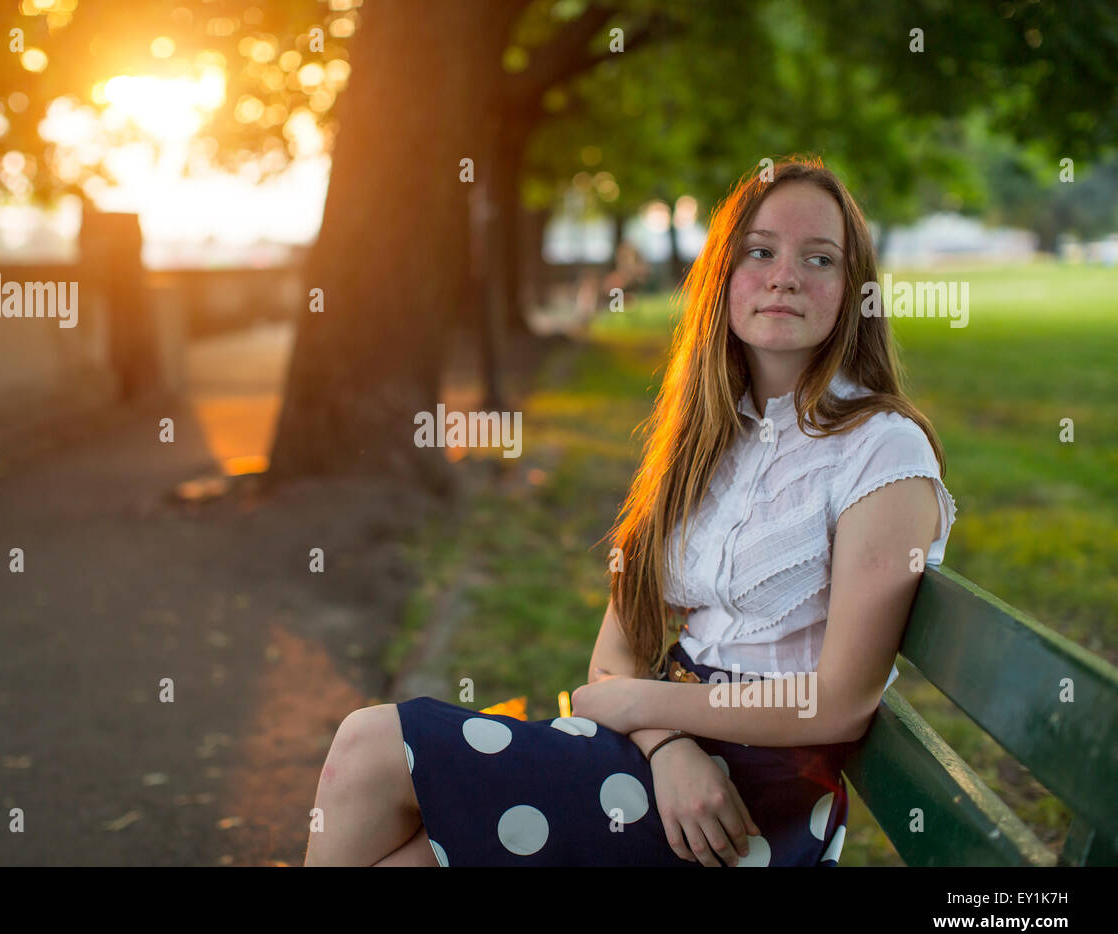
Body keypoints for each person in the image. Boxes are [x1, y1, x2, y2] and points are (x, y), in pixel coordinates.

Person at [303, 157, 958, 867]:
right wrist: (669, 744)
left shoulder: (881, 450)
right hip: (662, 762)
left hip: (761, 798)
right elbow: (616, 654)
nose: (785, 276)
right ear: (723, 278)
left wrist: (646, 709)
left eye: (819, 258)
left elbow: (838, 704)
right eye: (760, 251)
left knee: (371, 746)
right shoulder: (709, 439)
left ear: (852, 290)